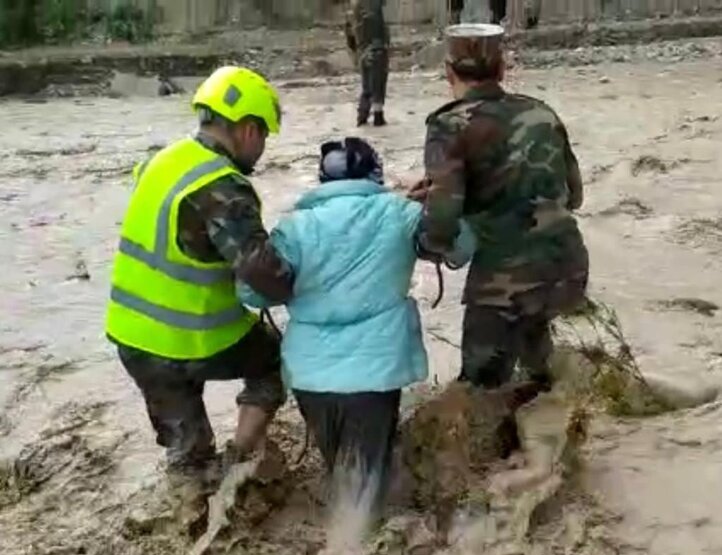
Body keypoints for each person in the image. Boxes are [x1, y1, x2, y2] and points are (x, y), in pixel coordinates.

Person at [238, 138, 474, 516]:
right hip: (375, 373)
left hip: (310, 375)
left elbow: (252, 293)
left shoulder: (294, 227)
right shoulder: (401, 214)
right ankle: (353, 551)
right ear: (375, 174)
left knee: (339, 466)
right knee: (367, 480)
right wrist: (438, 204)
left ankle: (341, 541)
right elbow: (461, 249)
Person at [105, 66, 293, 479]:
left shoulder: (162, 160)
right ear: (247, 129)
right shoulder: (223, 188)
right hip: (190, 339)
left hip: (132, 339)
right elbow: (266, 277)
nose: (262, 148)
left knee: (188, 452)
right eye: (264, 136)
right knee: (275, 361)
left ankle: (190, 502)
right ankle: (240, 456)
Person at [414, 24, 589, 393]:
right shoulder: (542, 113)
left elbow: (443, 220)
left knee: (478, 393)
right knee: (539, 376)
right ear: (502, 68)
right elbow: (574, 197)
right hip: (567, 267)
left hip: (503, 283)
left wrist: (426, 246)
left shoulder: (448, 125)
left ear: (448, 72)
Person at [345, 0, 390, 127]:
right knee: (378, 84)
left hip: (363, 50)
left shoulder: (354, 7)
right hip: (376, 48)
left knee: (367, 86)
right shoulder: (374, 6)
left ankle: (362, 117)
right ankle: (378, 117)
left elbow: (350, 34)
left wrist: (356, 52)